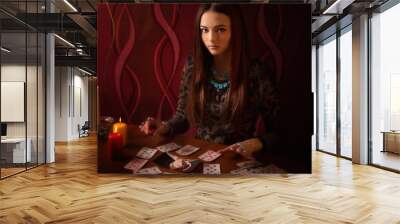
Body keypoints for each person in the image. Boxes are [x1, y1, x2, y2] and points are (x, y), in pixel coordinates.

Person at [139, 3, 279, 162]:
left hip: (237, 158)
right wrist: (165, 126)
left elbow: (279, 133)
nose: (211, 38)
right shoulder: (193, 66)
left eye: (220, 29)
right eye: (205, 30)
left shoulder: (257, 72)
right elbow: (182, 117)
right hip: (199, 155)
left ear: (236, 31)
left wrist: (255, 143)